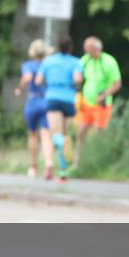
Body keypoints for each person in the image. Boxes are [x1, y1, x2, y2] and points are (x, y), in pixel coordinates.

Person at [35, 34, 83, 182]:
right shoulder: (76, 62)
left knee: (55, 135)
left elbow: (38, 81)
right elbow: (78, 80)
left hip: (53, 97)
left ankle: (51, 165)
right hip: (69, 99)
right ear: (71, 47)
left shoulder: (49, 61)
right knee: (64, 134)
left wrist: (50, 84)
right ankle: (63, 171)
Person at [75, 36, 123, 167]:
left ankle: (100, 162)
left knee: (99, 133)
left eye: (88, 48)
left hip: (102, 104)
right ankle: (77, 163)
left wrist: (104, 96)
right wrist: (77, 76)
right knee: (80, 132)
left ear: (96, 48)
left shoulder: (108, 61)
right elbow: (77, 69)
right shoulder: (86, 59)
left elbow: (117, 84)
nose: (86, 51)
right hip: (87, 103)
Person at [14, 39, 52, 178]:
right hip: (47, 100)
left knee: (32, 134)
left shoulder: (28, 65)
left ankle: (33, 167)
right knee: (46, 134)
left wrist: (19, 88)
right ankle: (48, 164)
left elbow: (28, 77)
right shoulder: (48, 65)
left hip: (33, 100)